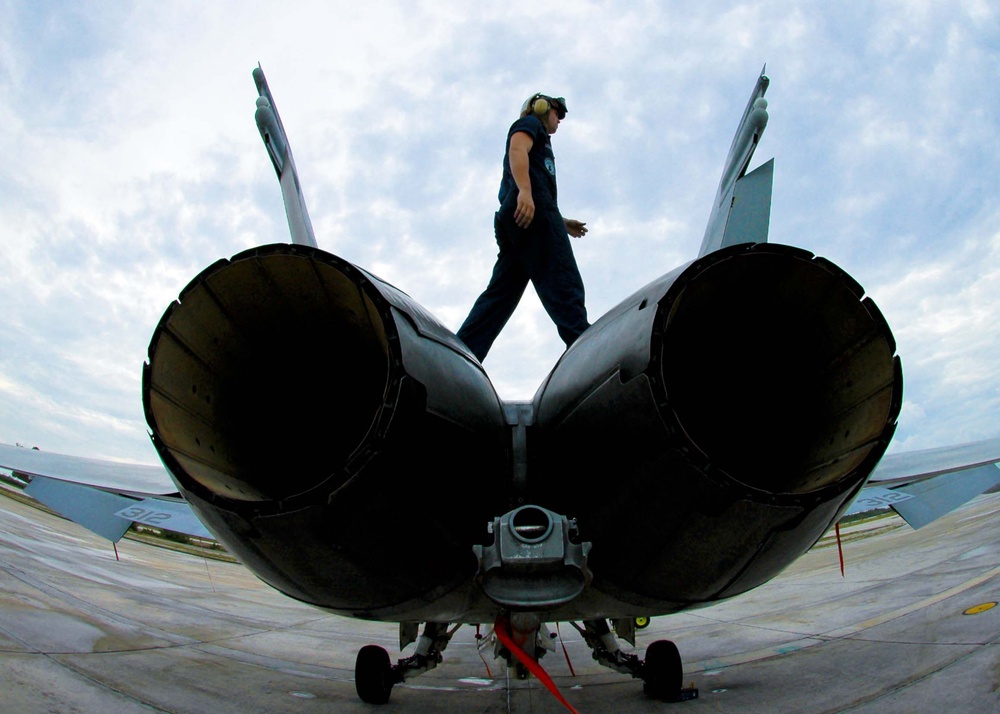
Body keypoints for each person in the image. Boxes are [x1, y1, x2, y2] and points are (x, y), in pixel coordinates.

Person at [456, 93, 591, 362]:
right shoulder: (531, 125)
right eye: (557, 112)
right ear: (540, 107)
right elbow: (516, 150)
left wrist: (562, 224)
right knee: (563, 277)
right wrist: (525, 192)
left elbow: (535, 184)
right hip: (531, 209)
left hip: (517, 218)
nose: (560, 119)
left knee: (501, 295)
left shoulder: (542, 138)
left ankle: (461, 354)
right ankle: (584, 345)